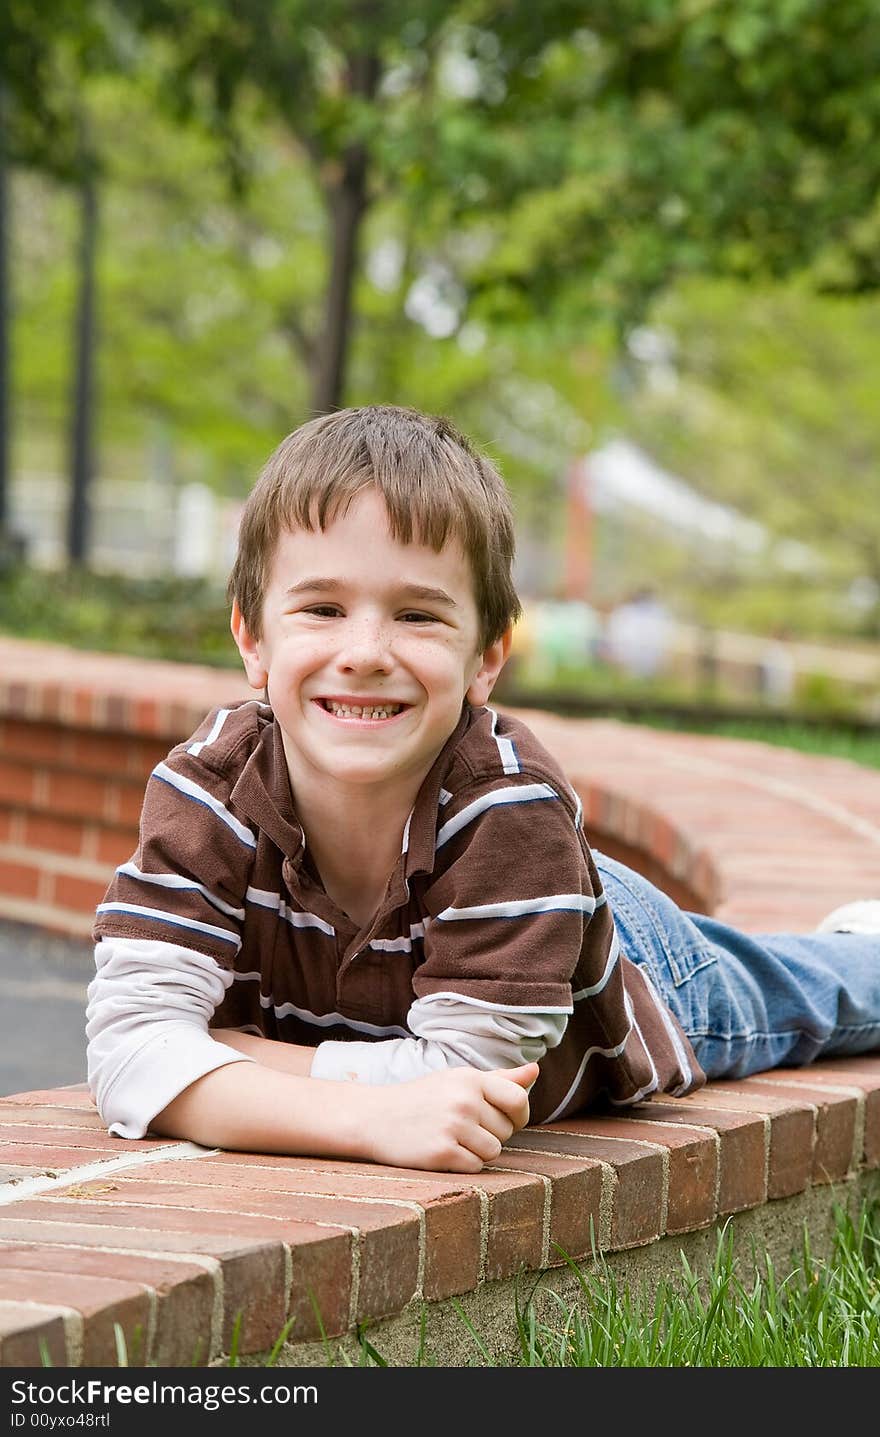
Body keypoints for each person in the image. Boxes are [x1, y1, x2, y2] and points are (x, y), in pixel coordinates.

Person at [86, 405, 880, 1175]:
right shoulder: (210, 788)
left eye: (418, 615)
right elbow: (126, 1051)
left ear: (487, 657)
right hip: (506, 920)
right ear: (253, 640)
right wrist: (369, 1118)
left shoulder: (511, 806)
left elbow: (466, 1090)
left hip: (612, 961)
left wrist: (220, 1057)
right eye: (322, 607)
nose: (364, 651)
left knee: (811, 997)